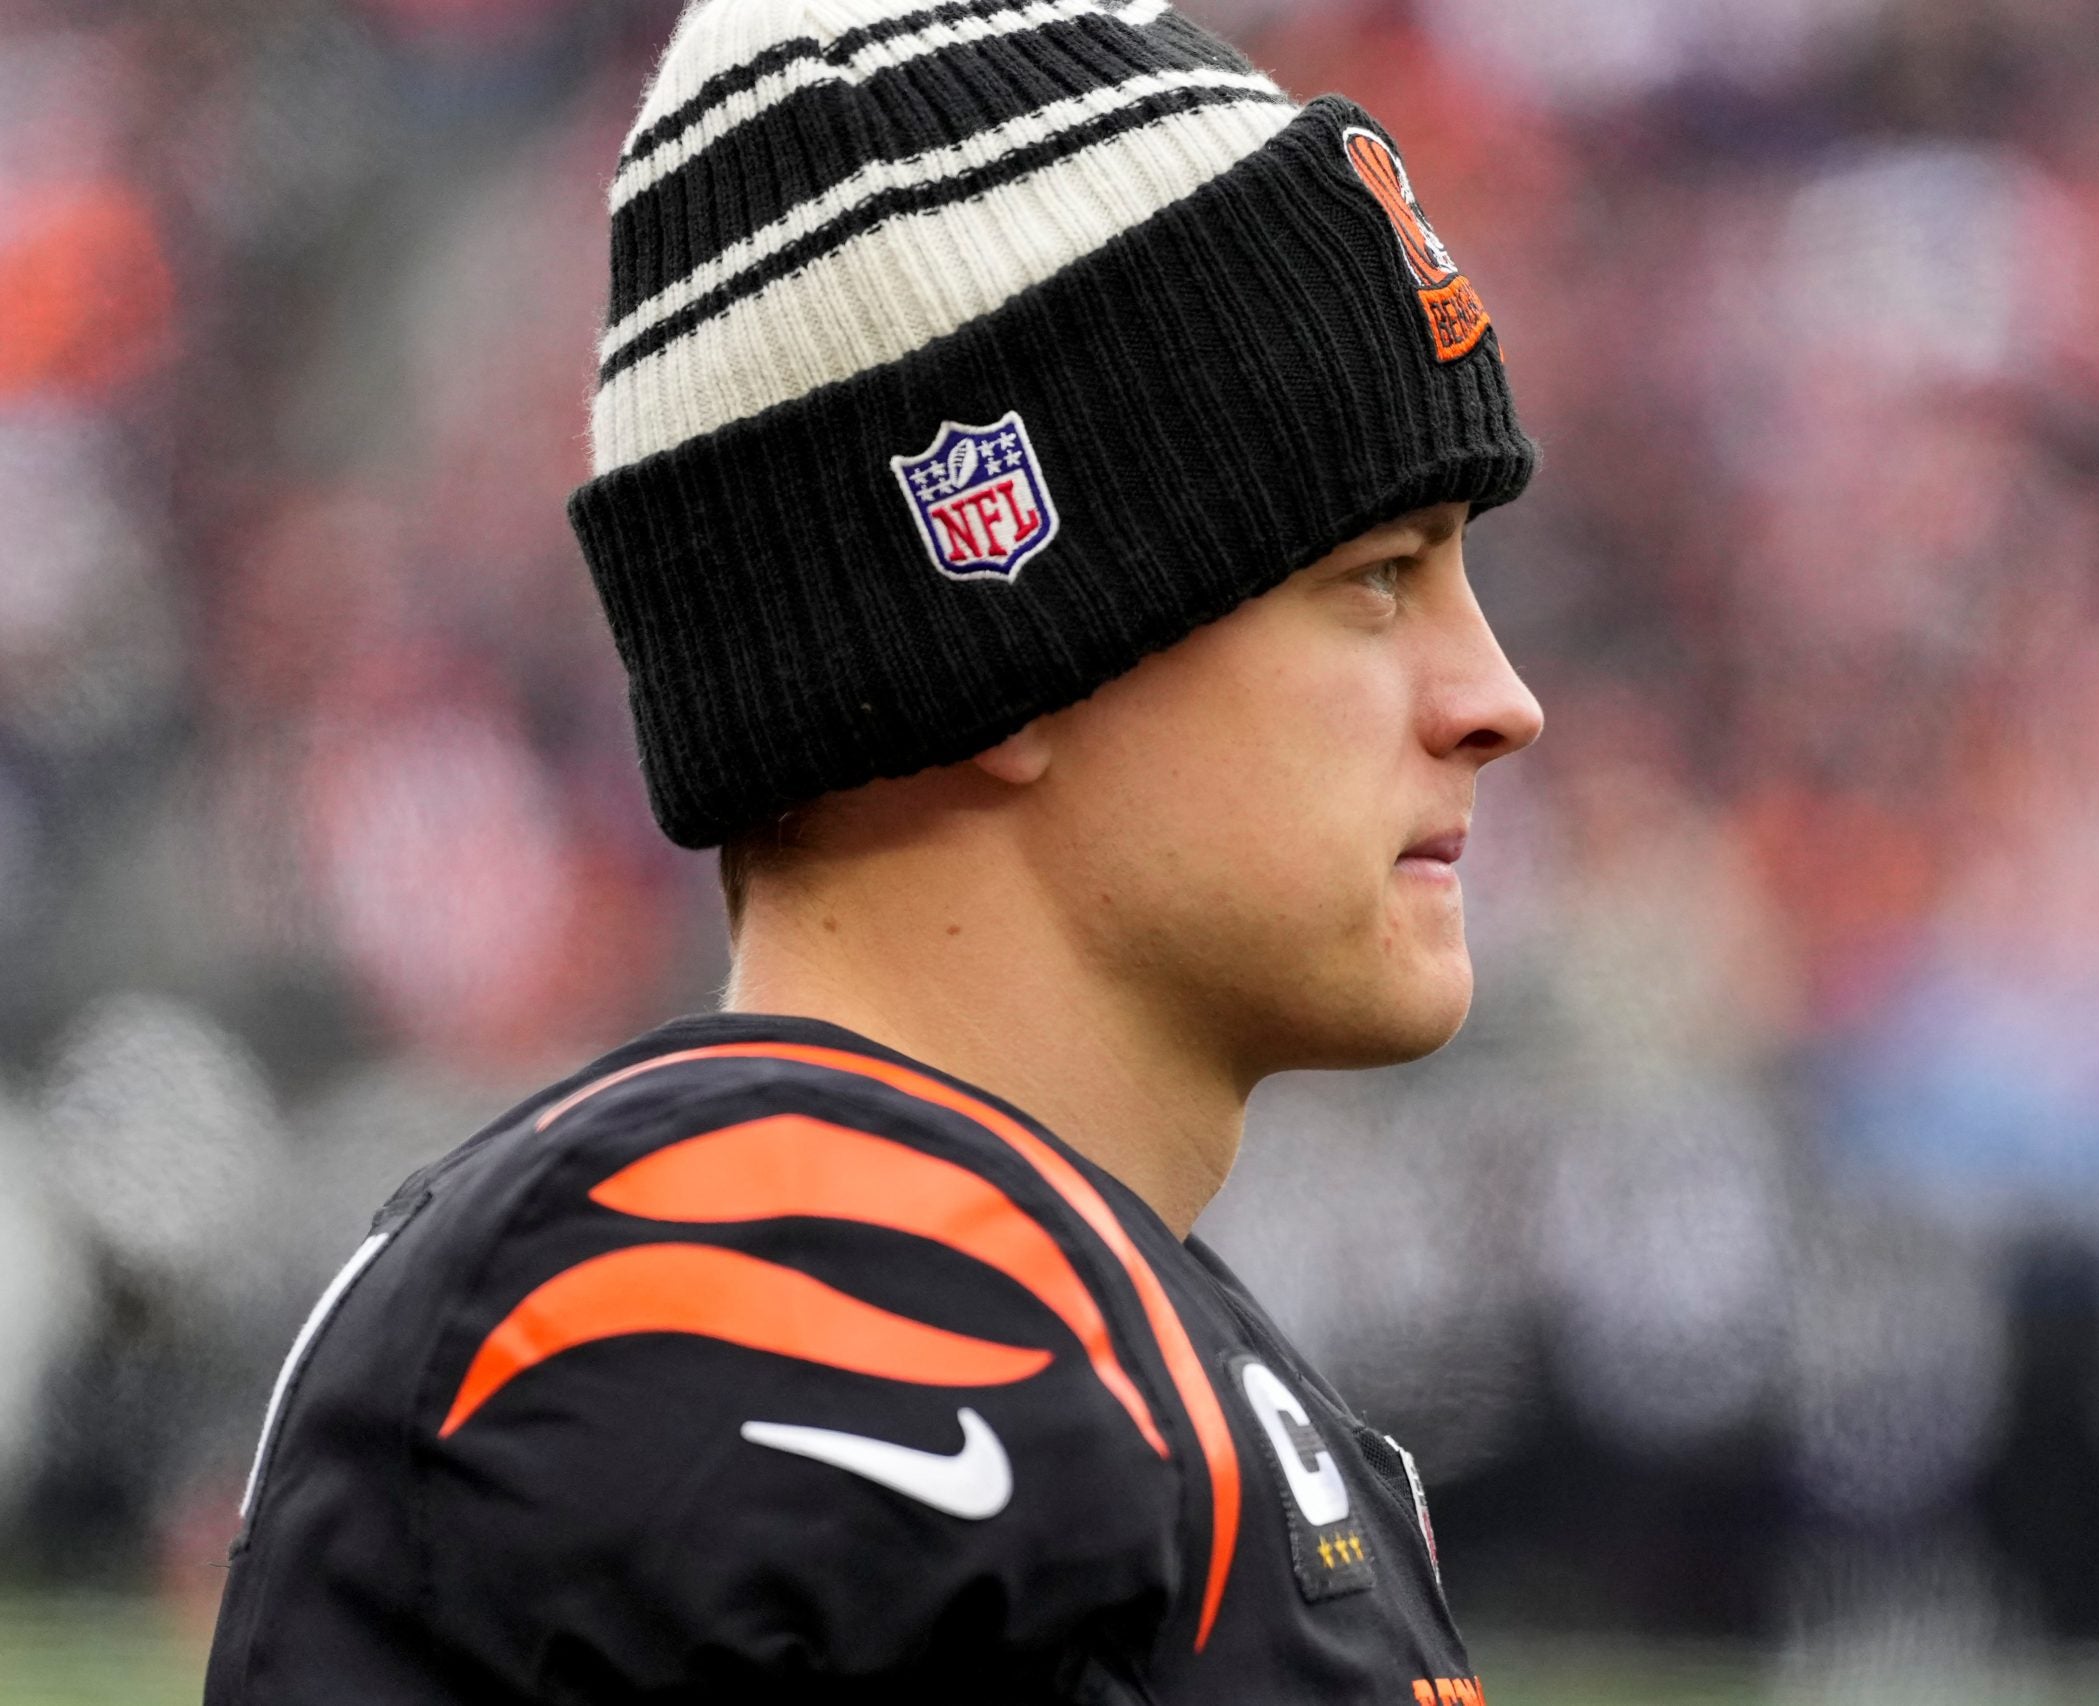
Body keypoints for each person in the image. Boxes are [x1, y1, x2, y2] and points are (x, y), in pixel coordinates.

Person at [206, 1, 1542, 1699]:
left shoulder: (1081, 1297)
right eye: (1379, 573)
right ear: (1012, 630)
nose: (1498, 699)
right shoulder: (752, 1274)